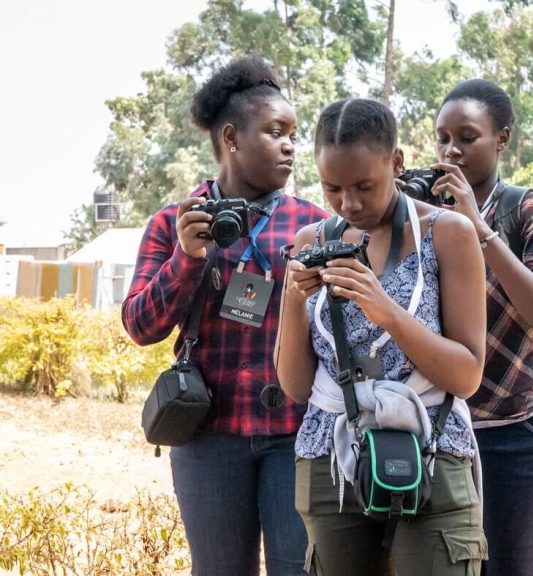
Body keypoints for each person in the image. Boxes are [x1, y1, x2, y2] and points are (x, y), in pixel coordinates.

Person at [122, 57, 327, 575]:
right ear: (232, 138)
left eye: (293, 134)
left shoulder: (316, 224)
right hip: (208, 437)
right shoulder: (174, 222)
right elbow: (140, 327)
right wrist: (186, 260)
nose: (290, 145)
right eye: (275, 132)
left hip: (295, 432)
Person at [275, 98, 488, 575]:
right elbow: (294, 385)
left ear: (397, 162)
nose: (349, 203)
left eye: (364, 186)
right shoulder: (313, 241)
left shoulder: (448, 233)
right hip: (334, 457)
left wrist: (386, 311)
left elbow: (468, 374)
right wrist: (293, 299)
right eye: (333, 188)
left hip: (431, 449)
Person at [427, 78, 533, 576]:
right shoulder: (425, 216)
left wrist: (479, 228)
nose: (451, 150)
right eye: (443, 137)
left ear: (502, 139)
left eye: (467, 137)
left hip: (516, 433)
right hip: (439, 431)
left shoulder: (530, 211)